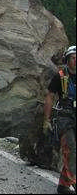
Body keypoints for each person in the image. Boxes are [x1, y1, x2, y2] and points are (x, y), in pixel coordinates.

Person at [43, 45, 76, 194]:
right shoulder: (60, 76)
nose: (76, 61)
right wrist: (46, 120)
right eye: (73, 58)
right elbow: (50, 96)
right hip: (64, 118)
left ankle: (63, 185)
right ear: (67, 60)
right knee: (71, 149)